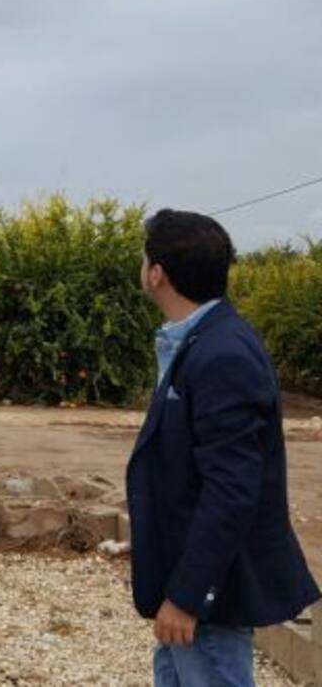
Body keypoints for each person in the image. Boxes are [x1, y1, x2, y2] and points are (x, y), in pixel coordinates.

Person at [127, 209, 319, 686]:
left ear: (157, 274)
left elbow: (232, 489)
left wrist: (189, 596)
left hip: (212, 596)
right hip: (190, 581)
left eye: (144, 258)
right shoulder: (200, 341)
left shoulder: (222, 354)